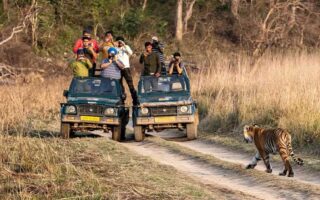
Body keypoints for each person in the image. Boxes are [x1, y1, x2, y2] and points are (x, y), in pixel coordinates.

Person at [116, 36, 139, 106]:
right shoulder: (115, 48)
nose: (119, 43)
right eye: (118, 42)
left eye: (120, 41)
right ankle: (122, 100)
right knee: (119, 85)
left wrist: (124, 45)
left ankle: (135, 100)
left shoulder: (126, 47)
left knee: (130, 84)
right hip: (118, 69)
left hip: (126, 68)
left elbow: (131, 53)